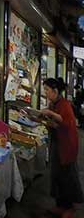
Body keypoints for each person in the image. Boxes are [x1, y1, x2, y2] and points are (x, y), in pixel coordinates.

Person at [39, 77, 83, 217]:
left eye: (47, 90)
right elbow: (54, 124)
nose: (45, 92)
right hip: (57, 143)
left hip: (67, 145)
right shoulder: (53, 103)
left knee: (67, 176)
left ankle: (69, 208)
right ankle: (60, 205)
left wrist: (50, 114)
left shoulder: (64, 104)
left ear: (55, 91)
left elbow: (66, 122)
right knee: (56, 175)